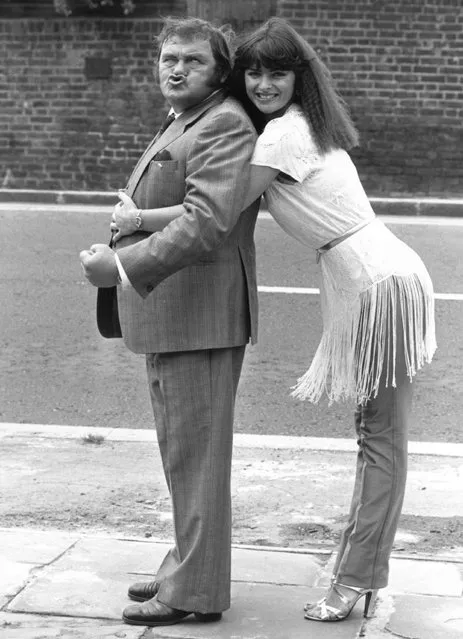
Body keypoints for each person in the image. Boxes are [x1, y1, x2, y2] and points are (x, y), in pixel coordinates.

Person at [226, 17, 437, 623]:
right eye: (255, 72)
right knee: (378, 437)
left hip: (378, 286)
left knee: (381, 441)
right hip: (375, 280)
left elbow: (219, 206)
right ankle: (358, 567)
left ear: (300, 77)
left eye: (278, 72)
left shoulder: (283, 137)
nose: (264, 83)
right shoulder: (301, 126)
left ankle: (358, 579)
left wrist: (141, 222)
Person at [80, 16, 261, 628]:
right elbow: (181, 203)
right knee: (183, 456)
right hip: (176, 316)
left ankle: (196, 594)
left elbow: (207, 222)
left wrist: (122, 266)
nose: (176, 69)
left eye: (192, 61)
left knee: (199, 459)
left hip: (202, 317)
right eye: (168, 59)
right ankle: (187, 566)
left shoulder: (224, 124)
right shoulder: (188, 119)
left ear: (219, 72)